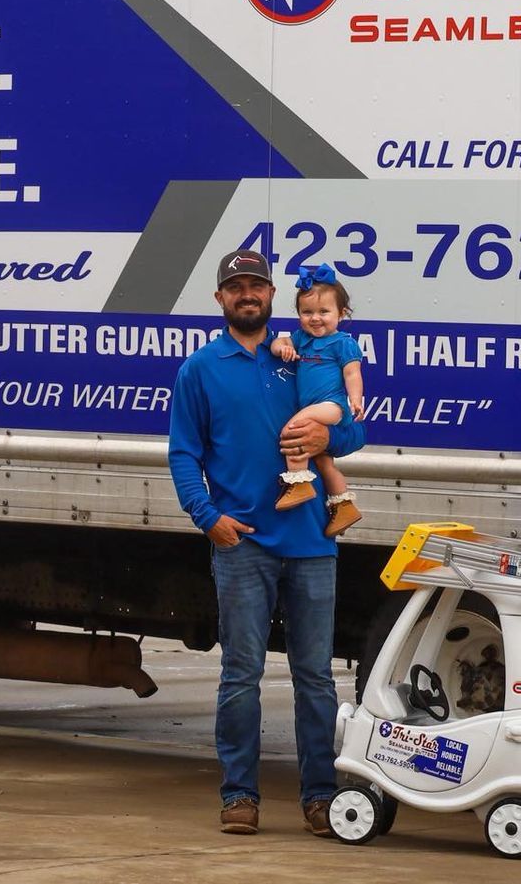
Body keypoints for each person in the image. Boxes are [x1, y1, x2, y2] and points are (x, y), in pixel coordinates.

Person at [167, 248, 367, 837]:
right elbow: (184, 452)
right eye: (236, 287)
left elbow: (351, 435)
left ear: (273, 295)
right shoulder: (200, 370)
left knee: (315, 678)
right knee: (241, 674)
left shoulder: (301, 355)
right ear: (220, 299)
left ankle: (319, 797)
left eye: (256, 285)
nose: (247, 294)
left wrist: (328, 427)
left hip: (312, 543)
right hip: (243, 544)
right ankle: (239, 796)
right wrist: (208, 518)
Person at [269, 263, 365, 537]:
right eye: (307, 312)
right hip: (317, 407)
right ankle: (344, 506)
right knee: (324, 461)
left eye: (324, 312)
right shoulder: (303, 339)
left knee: (294, 431)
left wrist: (355, 400)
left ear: (341, 313)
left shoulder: (343, 342)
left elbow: (352, 372)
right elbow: (278, 342)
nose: (315, 319)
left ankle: (299, 484)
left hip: (332, 406)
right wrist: (283, 348)